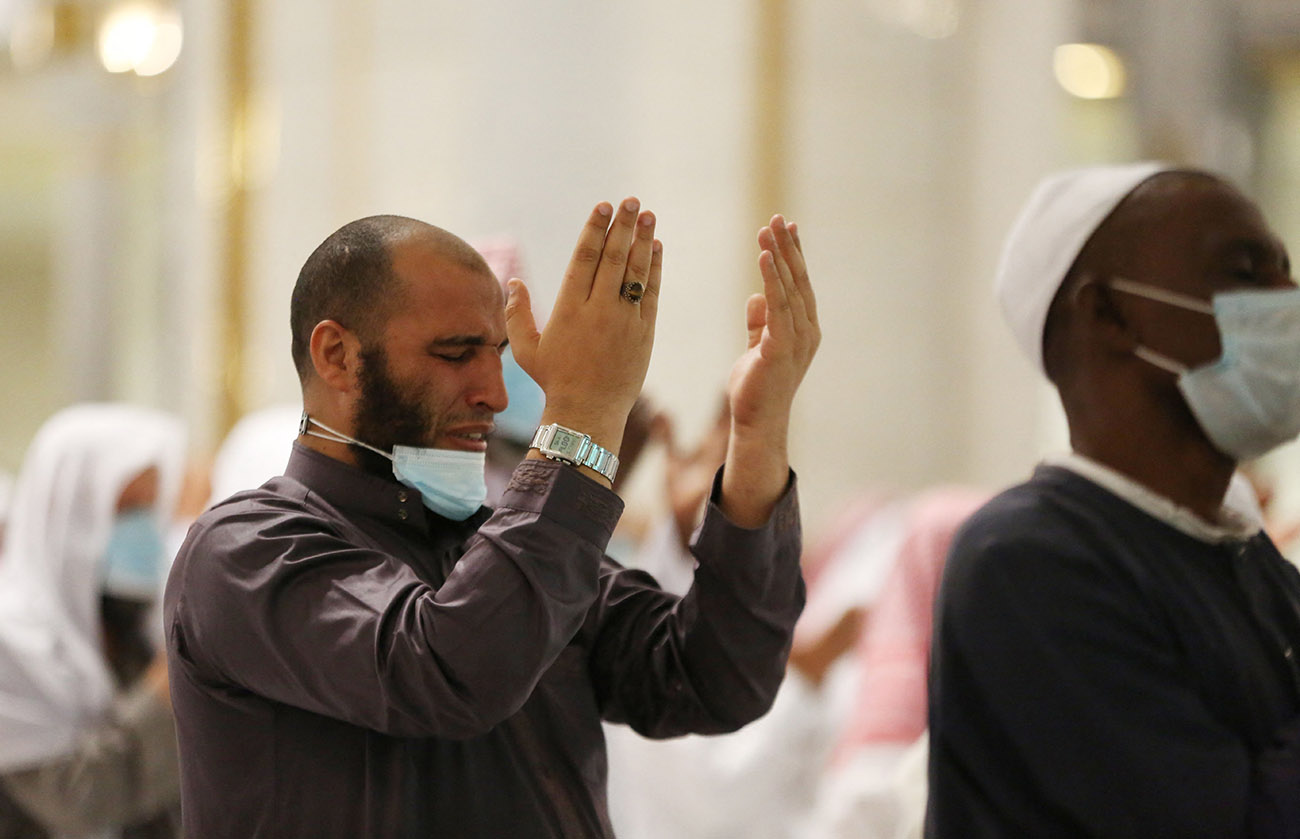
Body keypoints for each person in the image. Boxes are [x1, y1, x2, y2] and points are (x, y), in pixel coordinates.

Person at [164, 198, 820, 837]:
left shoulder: (494, 538)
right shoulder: (246, 550)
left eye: (496, 353)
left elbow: (714, 678)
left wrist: (757, 435)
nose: (497, 393)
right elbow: (448, 671)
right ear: (338, 356)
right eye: (456, 353)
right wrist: (583, 416)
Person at [927, 163, 1300, 837]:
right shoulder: (1030, 561)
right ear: (1108, 313)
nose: (1287, 298)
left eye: (1286, 270)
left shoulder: (1245, 557)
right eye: (1246, 273)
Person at [0, 404, 185, 839]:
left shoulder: (128, 622)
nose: (145, 529)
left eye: (150, 508)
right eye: (126, 510)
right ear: (70, 514)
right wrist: (166, 689)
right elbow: (81, 802)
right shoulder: (11, 642)